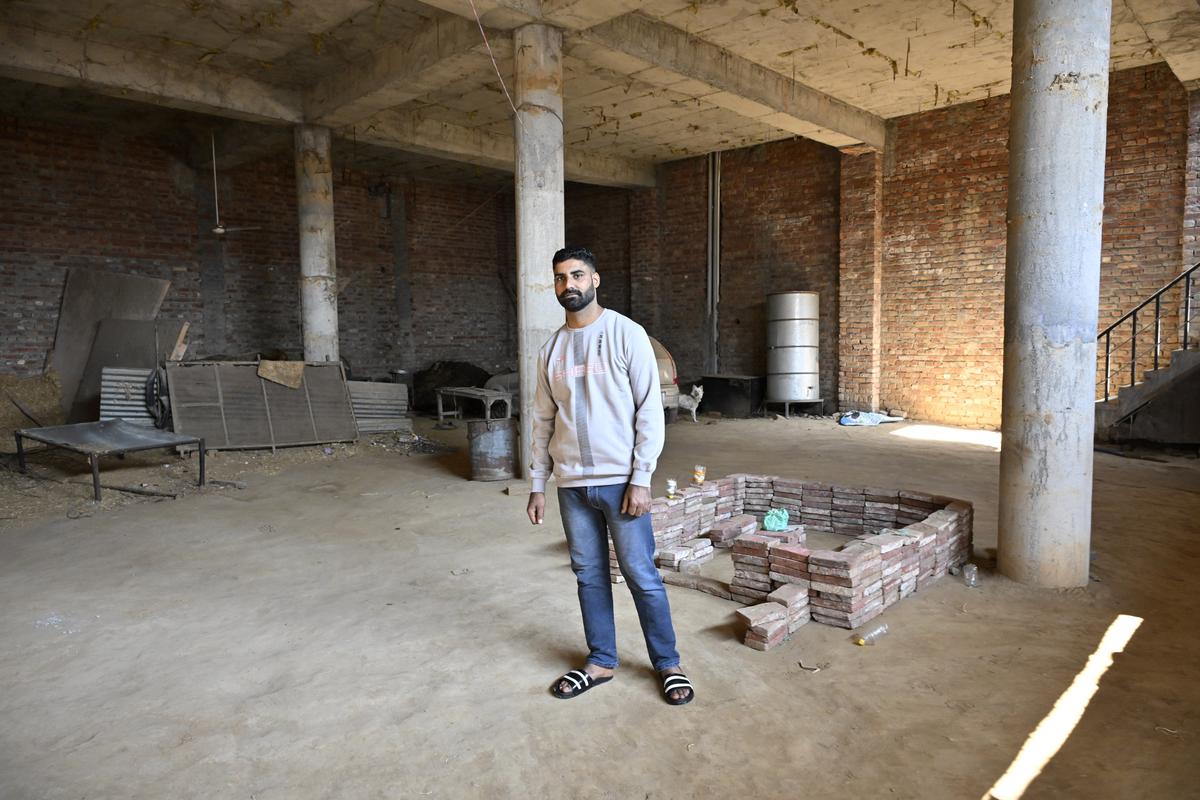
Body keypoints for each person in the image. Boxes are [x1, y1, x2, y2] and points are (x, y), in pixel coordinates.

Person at [526, 245, 695, 706]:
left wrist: (641, 477)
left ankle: (668, 664)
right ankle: (601, 661)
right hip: (572, 486)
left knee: (641, 573)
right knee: (589, 575)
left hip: (622, 482)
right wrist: (539, 484)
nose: (569, 286)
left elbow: (650, 411)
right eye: (561, 278)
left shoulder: (626, 334)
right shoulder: (550, 350)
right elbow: (542, 420)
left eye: (578, 276)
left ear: (595, 280)